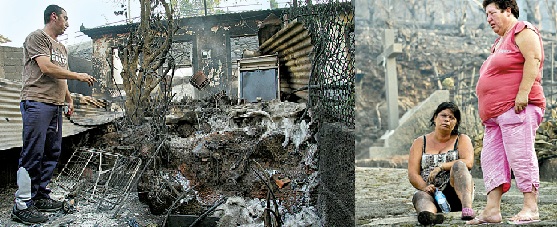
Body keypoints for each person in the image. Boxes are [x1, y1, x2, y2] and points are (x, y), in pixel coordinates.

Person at [12, 4, 96, 225]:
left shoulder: (62, 48)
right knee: (33, 153)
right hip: (37, 102)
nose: (68, 24)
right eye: (65, 19)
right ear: (54, 17)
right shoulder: (37, 38)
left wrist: (68, 99)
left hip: (55, 105)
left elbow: (60, 77)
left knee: (51, 152)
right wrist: (78, 75)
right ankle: (21, 205)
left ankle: (39, 196)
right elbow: (47, 68)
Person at [467, 0, 545, 225]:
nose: (488, 18)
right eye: (486, 15)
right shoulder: (499, 42)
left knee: (520, 155)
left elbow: (534, 59)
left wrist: (523, 93)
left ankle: (531, 208)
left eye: (492, 13)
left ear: (508, 10)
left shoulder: (523, 30)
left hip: (518, 108)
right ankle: (492, 210)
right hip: (494, 117)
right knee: (491, 159)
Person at [408, 102, 475, 226]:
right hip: (432, 192)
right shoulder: (419, 142)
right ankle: (429, 216)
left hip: (456, 192)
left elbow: (468, 162)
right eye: (443, 115)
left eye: (452, 118)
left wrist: (441, 166)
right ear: (435, 117)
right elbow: (413, 173)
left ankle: (467, 209)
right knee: (419, 196)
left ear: (455, 123)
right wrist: (424, 187)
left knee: (459, 165)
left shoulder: (462, 139)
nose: (447, 120)